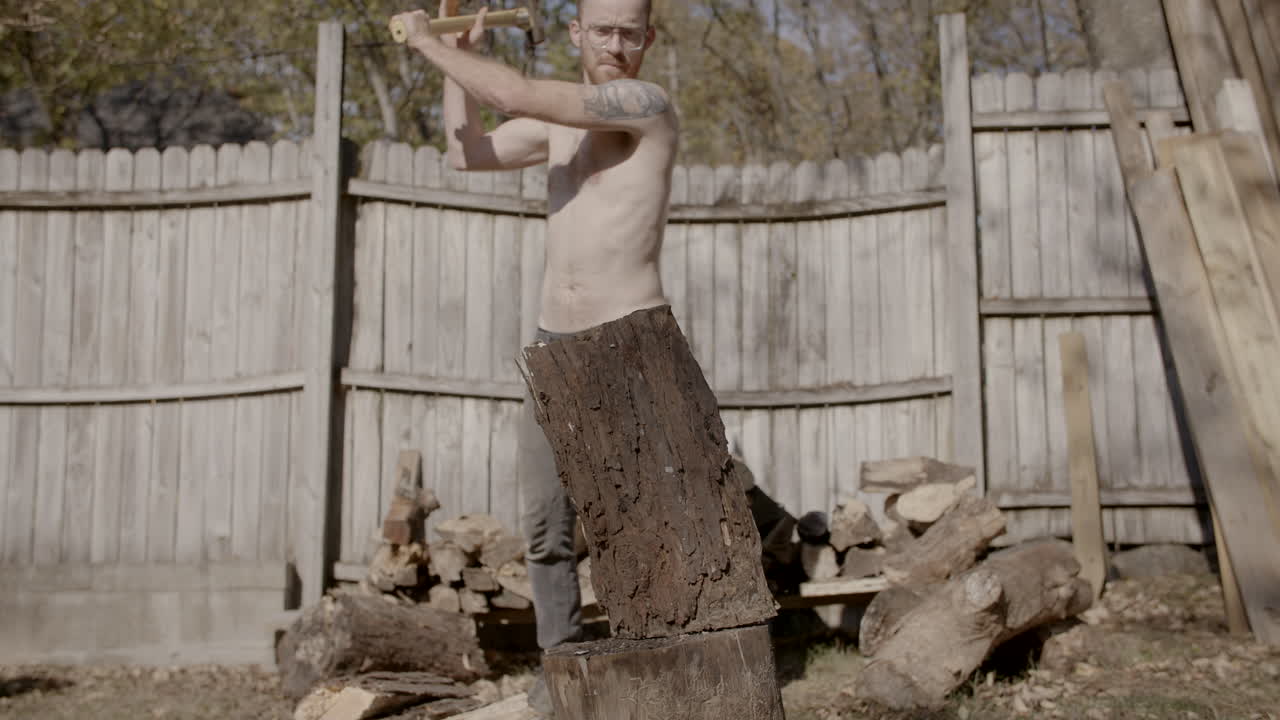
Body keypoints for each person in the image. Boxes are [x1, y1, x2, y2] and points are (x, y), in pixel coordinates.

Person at [390, 0, 677, 714]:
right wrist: (466, 56)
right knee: (549, 531)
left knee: (640, 525)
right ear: (577, 32)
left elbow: (512, 91)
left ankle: (662, 676)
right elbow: (467, 152)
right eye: (602, 29)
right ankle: (563, 681)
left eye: (630, 32)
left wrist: (429, 43)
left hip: (631, 343)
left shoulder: (644, 104)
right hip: (554, 351)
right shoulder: (556, 127)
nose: (617, 43)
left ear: (649, 38)